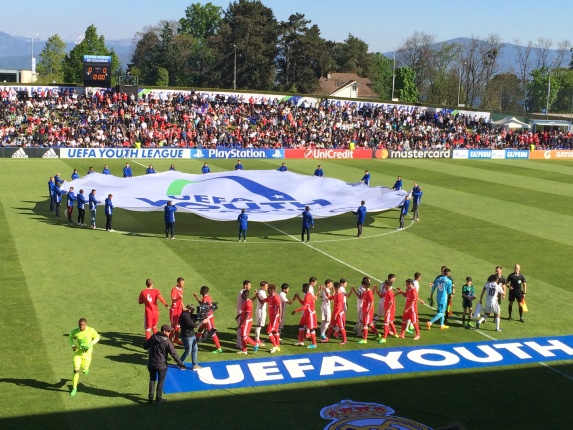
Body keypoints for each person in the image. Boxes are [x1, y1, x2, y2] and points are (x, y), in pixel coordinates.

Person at [143, 324, 185, 404]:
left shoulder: (153, 337)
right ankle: (158, 398)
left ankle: (150, 398)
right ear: (164, 331)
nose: (169, 333)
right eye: (168, 331)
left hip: (151, 363)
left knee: (152, 379)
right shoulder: (167, 341)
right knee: (161, 381)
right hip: (161, 365)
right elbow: (174, 354)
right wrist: (180, 363)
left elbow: (145, 346)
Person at [68, 317, 100, 396]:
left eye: (82, 325)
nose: (81, 327)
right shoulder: (74, 331)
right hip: (78, 353)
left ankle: (85, 369)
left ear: (86, 325)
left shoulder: (91, 330)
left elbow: (97, 337)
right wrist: (73, 345)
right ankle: (74, 388)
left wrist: (90, 344)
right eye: (80, 325)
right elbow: (70, 338)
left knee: (84, 369)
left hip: (87, 354)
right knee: (76, 370)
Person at [192, 286, 223, 353]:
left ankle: (219, 348)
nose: (200, 291)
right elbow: (204, 306)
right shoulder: (208, 297)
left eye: (200, 290)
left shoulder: (205, 299)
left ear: (203, 291)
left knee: (212, 332)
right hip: (208, 317)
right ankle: (195, 342)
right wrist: (197, 298)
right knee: (200, 329)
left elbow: (203, 308)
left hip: (207, 318)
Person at [255, 284, 282, 353]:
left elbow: (280, 307)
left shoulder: (276, 297)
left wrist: (280, 317)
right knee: (275, 331)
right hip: (272, 317)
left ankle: (274, 346)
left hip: (275, 317)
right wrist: (257, 295)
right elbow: (262, 302)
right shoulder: (270, 297)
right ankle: (278, 346)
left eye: (269, 289)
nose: (267, 290)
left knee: (269, 331)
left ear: (272, 290)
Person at [353, 278, 379, 344]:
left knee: (365, 324)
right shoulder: (365, 291)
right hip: (365, 310)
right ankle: (377, 334)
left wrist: (368, 312)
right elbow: (361, 297)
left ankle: (365, 339)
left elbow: (372, 303)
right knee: (370, 323)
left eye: (363, 284)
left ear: (365, 285)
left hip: (367, 311)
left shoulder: (369, 292)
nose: (362, 285)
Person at [292, 283, 318, 349]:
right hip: (306, 314)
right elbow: (304, 303)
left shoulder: (308, 296)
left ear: (306, 289)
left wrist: (296, 310)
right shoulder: (307, 295)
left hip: (310, 315)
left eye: (303, 288)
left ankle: (314, 344)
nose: (302, 289)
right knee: (301, 325)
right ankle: (301, 341)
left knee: (311, 328)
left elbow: (305, 307)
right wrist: (298, 298)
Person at [236, 289, 259, 354]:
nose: (241, 295)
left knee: (244, 336)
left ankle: (255, 344)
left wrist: (241, 324)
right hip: (244, 320)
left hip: (247, 322)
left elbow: (247, 315)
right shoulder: (247, 301)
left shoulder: (248, 304)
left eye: (242, 294)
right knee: (243, 337)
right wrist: (239, 315)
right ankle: (244, 350)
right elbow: (251, 300)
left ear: (245, 295)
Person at [178, 305, 201, 369]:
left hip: (191, 335)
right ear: (189, 310)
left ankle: (195, 365)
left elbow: (193, 319)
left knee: (195, 349)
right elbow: (195, 325)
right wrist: (202, 322)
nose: (193, 312)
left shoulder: (187, 314)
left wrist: (199, 316)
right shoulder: (185, 316)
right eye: (192, 310)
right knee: (188, 351)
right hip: (187, 336)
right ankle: (180, 363)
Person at [236, 280, 252, 349]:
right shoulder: (243, 293)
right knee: (241, 328)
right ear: (246, 285)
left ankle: (239, 343)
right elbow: (244, 304)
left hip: (240, 312)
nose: (250, 287)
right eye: (249, 285)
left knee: (241, 328)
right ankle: (240, 344)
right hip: (241, 312)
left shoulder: (241, 292)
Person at [253, 281, 269, 346]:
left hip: (261, 310)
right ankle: (257, 340)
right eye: (266, 286)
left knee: (260, 325)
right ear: (262, 286)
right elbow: (263, 302)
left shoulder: (263, 292)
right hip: (261, 311)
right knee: (259, 326)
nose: (267, 287)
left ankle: (258, 339)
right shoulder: (261, 293)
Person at [169, 277, 184, 344]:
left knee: (178, 324)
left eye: (183, 283)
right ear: (178, 282)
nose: (183, 284)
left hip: (179, 309)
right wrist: (179, 297)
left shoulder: (181, 289)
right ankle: (169, 341)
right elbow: (173, 300)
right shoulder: (174, 290)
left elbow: (181, 300)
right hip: (174, 309)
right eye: (182, 283)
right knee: (173, 325)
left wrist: (183, 307)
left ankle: (176, 339)